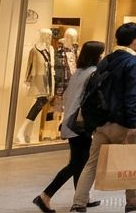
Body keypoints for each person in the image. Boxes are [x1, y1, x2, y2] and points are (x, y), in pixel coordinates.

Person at [70, 23, 136, 213]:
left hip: (101, 121)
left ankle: (79, 202)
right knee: (131, 161)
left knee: (91, 163)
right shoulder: (133, 62)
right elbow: (132, 95)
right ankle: (133, 202)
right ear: (135, 40)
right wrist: (134, 123)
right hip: (122, 122)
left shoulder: (106, 60)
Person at [34, 41, 106, 212]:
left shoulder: (78, 73)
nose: (102, 57)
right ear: (96, 56)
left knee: (79, 161)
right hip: (81, 123)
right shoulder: (93, 73)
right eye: (101, 54)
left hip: (70, 122)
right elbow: (91, 101)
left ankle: (81, 197)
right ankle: (45, 196)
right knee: (76, 163)